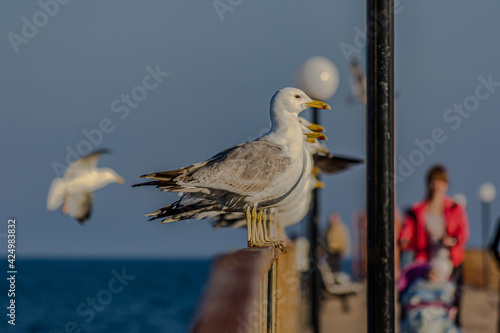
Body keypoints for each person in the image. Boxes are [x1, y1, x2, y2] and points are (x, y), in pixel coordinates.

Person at [398, 164, 470, 328]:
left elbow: (462, 234)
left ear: (446, 185)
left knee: (450, 310)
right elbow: (406, 233)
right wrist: (403, 240)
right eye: (433, 182)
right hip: (425, 265)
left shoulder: (455, 208)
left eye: (440, 182)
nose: (436, 186)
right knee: (424, 306)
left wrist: (450, 241)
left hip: (450, 263)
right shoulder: (417, 210)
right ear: (428, 183)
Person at [400, 255, 459, 333]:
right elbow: (406, 298)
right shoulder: (418, 284)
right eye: (429, 271)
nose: (430, 274)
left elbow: (448, 302)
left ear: (443, 276)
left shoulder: (446, 287)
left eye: (434, 273)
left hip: (436, 319)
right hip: (415, 317)